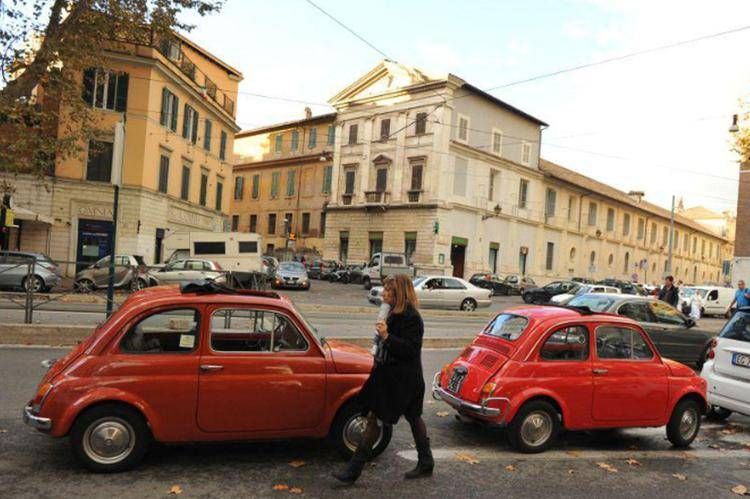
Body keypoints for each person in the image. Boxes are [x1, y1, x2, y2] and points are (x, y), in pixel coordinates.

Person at [332, 274, 433, 484]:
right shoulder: (391, 313)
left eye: (388, 290)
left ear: (399, 294)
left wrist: (387, 336)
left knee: (392, 418)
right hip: (388, 376)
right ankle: (426, 462)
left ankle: (353, 470)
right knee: (396, 417)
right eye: (385, 289)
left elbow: (410, 350)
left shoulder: (412, 318)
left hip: (403, 381)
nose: (383, 293)